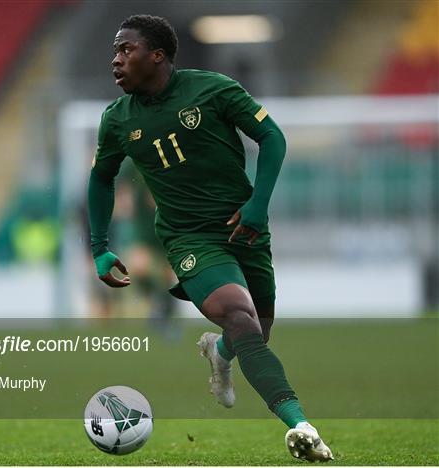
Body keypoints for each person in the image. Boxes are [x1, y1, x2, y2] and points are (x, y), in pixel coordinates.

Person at [88, 14, 333, 462]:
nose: (116, 60)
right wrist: (99, 248)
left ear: (157, 55)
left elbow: (272, 137)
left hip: (245, 226)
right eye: (114, 51)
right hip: (187, 238)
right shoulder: (117, 120)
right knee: (241, 319)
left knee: (257, 331)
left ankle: (219, 354)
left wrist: (258, 204)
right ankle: (302, 426)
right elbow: (102, 179)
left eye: (126, 50)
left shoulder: (212, 89)